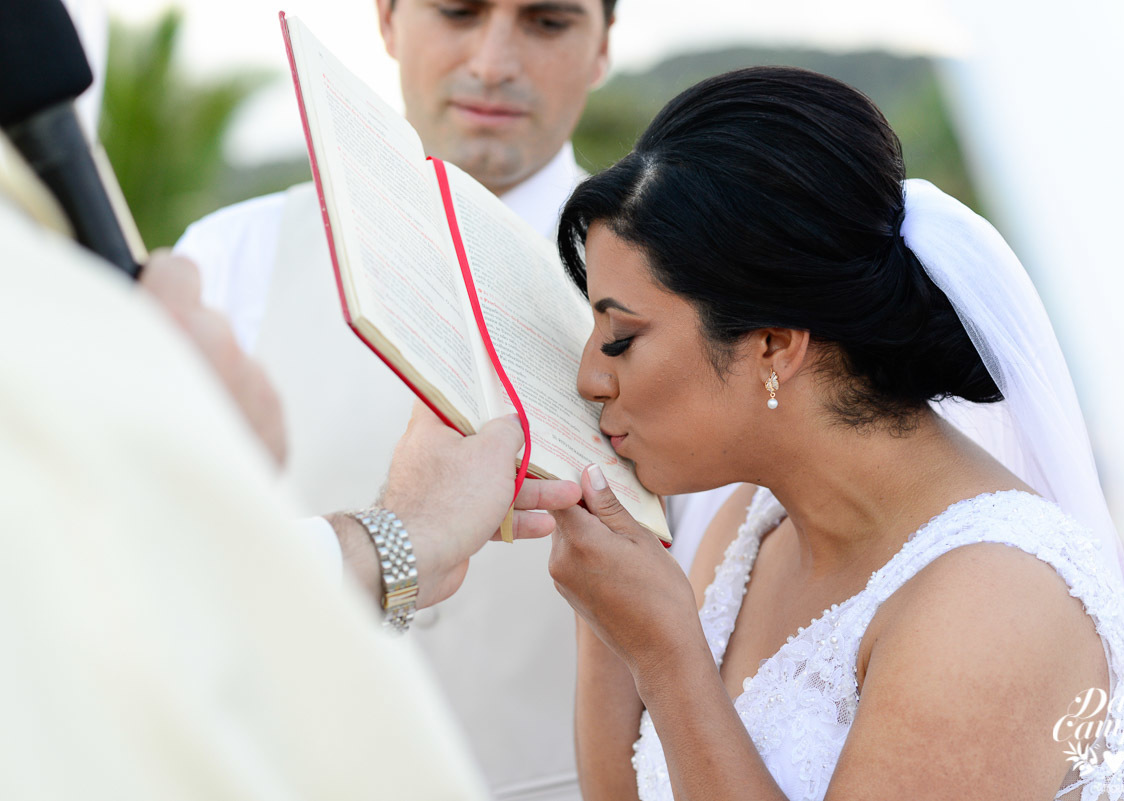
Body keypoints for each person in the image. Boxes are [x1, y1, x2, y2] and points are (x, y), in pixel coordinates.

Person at [544, 67, 1124, 800]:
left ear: (774, 344)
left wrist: (668, 657)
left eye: (620, 337)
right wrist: (607, 621)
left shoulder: (999, 599)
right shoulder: (754, 528)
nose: (590, 375)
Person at [174, 2, 736, 797]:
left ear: (603, 46)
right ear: (388, 20)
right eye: (458, 12)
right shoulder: (231, 258)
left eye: (546, 22)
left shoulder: (690, 292)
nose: (494, 61)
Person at [0, 157, 582, 798]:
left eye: (546, 43)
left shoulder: (642, 248)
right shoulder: (239, 247)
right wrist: (396, 540)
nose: (492, 62)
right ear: (389, 45)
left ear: (600, 53)